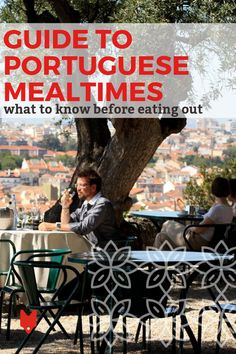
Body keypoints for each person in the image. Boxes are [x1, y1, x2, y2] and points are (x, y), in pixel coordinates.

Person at [39, 168, 119, 246]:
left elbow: (83, 227)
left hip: (105, 252)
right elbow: (66, 224)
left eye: (81, 185)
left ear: (93, 188)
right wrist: (65, 207)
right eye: (77, 185)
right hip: (89, 249)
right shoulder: (86, 204)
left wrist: (52, 226)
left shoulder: (102, 204)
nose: (78, 189)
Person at [153, 177, 233, 250]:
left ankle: (166, 260)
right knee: (160, 237)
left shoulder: (217, 209)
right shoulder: (229, 209)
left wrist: (189, 227)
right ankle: (163, 262)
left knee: (167, 223)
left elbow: (199, 229)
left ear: (213, 190)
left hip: (197, 242)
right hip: (211, 243)